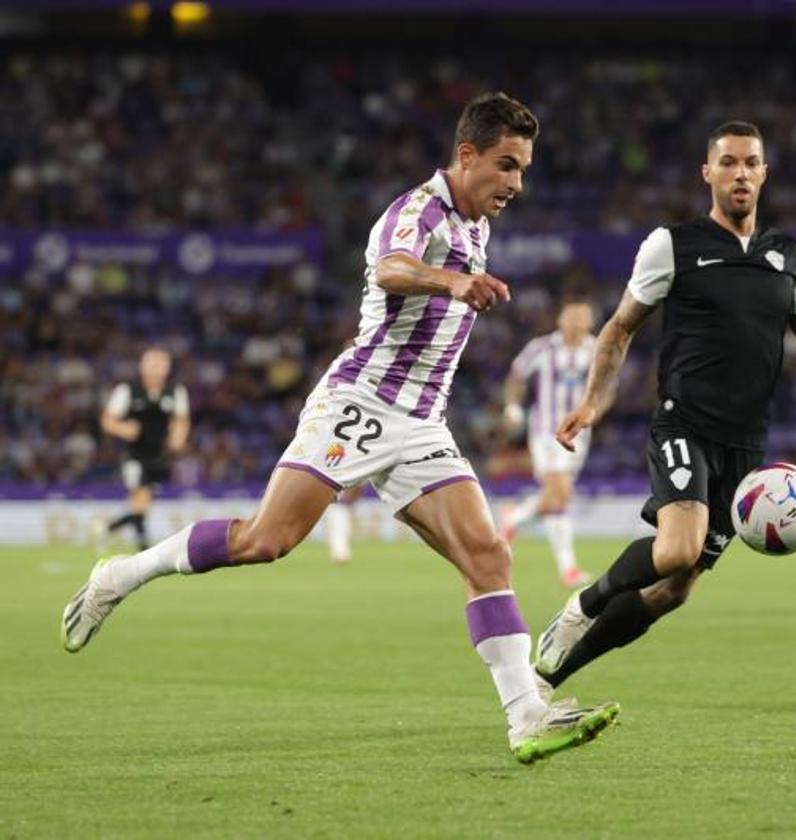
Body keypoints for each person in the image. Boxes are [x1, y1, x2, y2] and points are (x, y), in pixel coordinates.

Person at [61, 92, 619, 764]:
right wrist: (450, 282)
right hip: (360, 402)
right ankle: (118, 576)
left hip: (420, 421)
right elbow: (390, 268)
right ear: (467, 154)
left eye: (523, 169)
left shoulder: (478, 225)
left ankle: (526, 717)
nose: (515, 184)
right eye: (505, 165)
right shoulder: (418, 212)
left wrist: (458, 285)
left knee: (487, 555)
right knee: (267, 541)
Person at [532, 121, 796, 699]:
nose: (740, 173)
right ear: (708, 172)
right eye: (727, 162)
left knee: (674, 589)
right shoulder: (672, 245)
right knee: (677, 547)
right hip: (684, 423)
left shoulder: (788, 255)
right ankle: (582, 604)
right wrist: (594, 402)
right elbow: (619, 328)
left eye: (751, 162)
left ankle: (548, 679)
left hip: (745, 446)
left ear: (764, 173)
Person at [500, 298, 597, 587]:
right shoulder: (542, 348)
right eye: (572, 317)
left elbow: (608, 388)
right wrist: (512, 407)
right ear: (560, 320)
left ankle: (514, 517)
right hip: (547, 430)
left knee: (557, 497)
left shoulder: (595, 350)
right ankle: (569, 570)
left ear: (590, 322)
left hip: (581, 433)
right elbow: (516, 377)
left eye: (582, 317)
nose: (577, 323)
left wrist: (594, 414)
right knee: (561, 492)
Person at [94, 347, 190, 552]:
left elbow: (181, 420)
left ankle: (108, 527)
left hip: (160, 456)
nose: (156, 368)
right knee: (141, 497)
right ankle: (143, 548)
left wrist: (178, 439)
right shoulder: (127, 390)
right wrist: (123, 428)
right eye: (152, 363)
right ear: (142, 366)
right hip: (134, 455)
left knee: (143, 504)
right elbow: (107, 420)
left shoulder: (175, 392)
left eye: (161, 364)